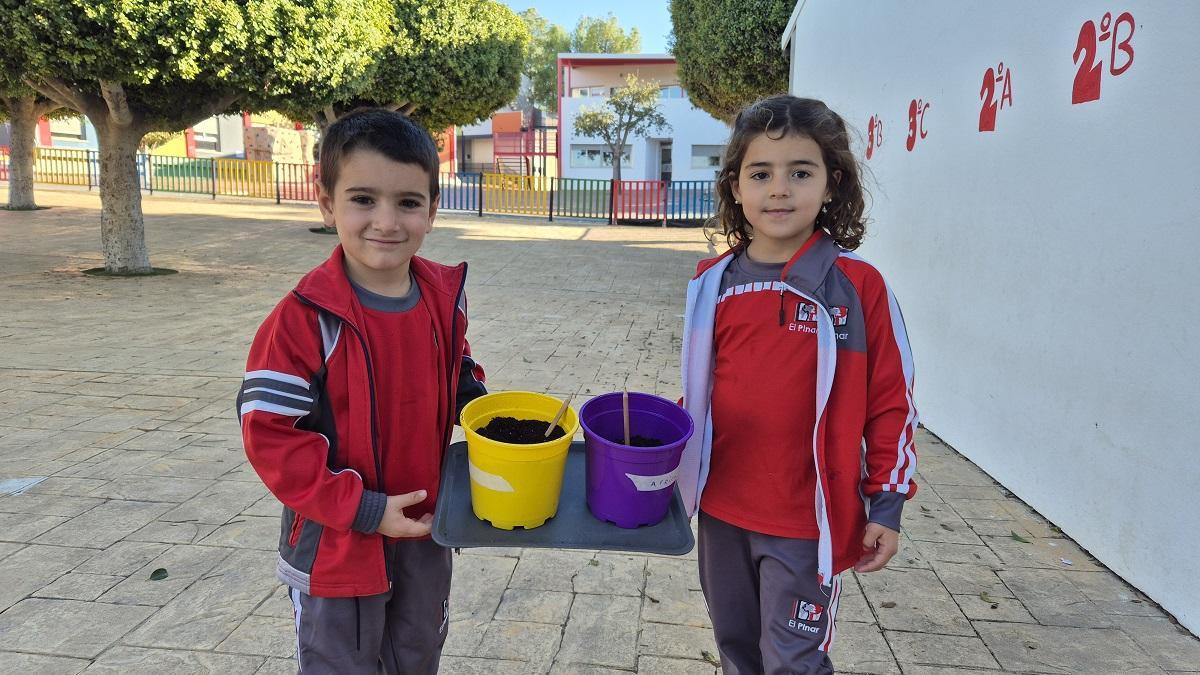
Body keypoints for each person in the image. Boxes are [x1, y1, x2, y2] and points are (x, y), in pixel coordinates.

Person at [236, 108, 487, 674]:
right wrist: (364, 509)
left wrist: (478, 404)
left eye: (408, 202)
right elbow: (269, 435)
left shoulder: (445, 300)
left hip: (424, 533)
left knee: (416, 656)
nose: (387, 222)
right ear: (327, 204)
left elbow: (456, 367)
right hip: (337, 549)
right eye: (363, 199)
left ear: (432, 210)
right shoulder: (303, 319)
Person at [677, 95, 919, 674]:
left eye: (800, 172)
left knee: (792, 661)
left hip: (807, 523)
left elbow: (892, 402)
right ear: (736, 187)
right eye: (760, 173)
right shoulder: (711, 280)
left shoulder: (857, 287)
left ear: (832, 184)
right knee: (737, 650)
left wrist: (885, 505)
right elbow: (699, 389)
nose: (779, 189)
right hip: (721, 511)